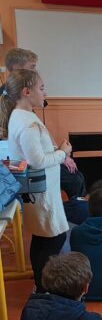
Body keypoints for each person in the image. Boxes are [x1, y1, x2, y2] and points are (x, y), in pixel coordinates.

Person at [1, 69, 71, 291]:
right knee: (54, 238)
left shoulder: (20, 116)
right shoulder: (28, 123)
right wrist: (63, 153)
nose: (44, 93)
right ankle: (44, 287)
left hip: (38, 189)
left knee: (43, 237)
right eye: (41, 88)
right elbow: (37, 160)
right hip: (41, 192)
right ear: (26, 91)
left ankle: (40, 284)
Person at [1, 47, 86, 197]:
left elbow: (42, 131)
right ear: (16, 68)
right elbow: (36, 160)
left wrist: (61, 154)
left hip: (39, 159)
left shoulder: (24, 108)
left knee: (76, 177)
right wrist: (61, 154)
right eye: (32, 67)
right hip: (27, 168)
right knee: (75, 180)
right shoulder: (18, 110)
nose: (35, 71)